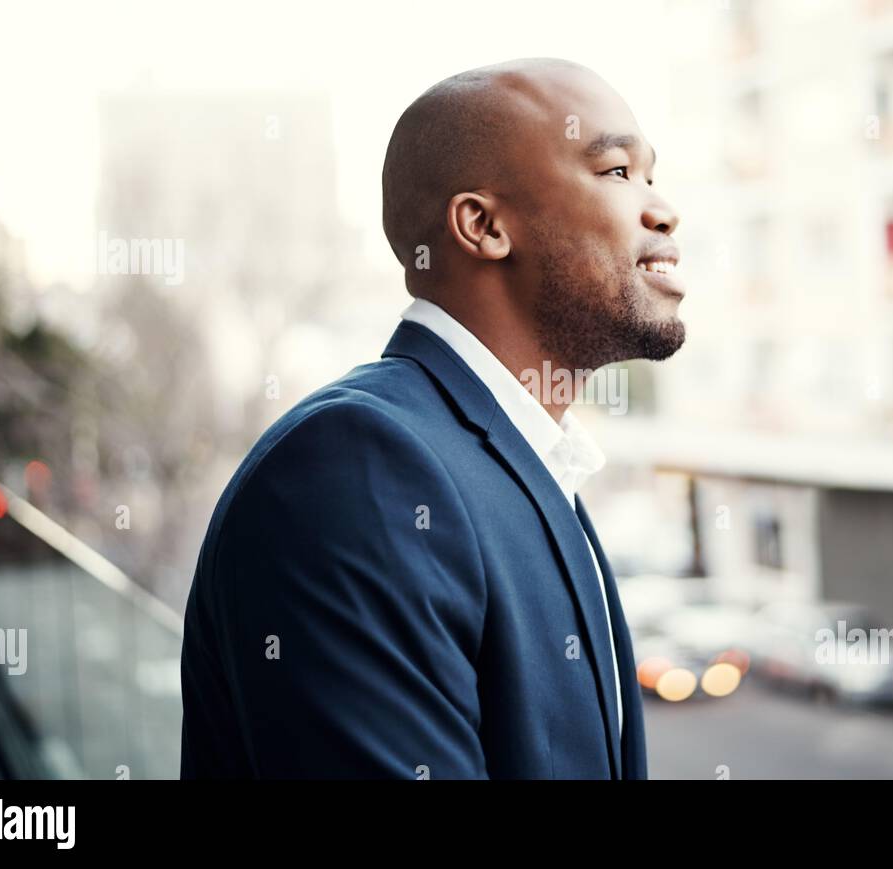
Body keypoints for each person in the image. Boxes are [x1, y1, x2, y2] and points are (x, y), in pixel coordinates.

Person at [179, 58, 686, 779]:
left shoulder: (535, 466)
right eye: (615, 171)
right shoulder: (357, 468)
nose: (663, 208)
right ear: (482, 225)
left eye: (651, 174)